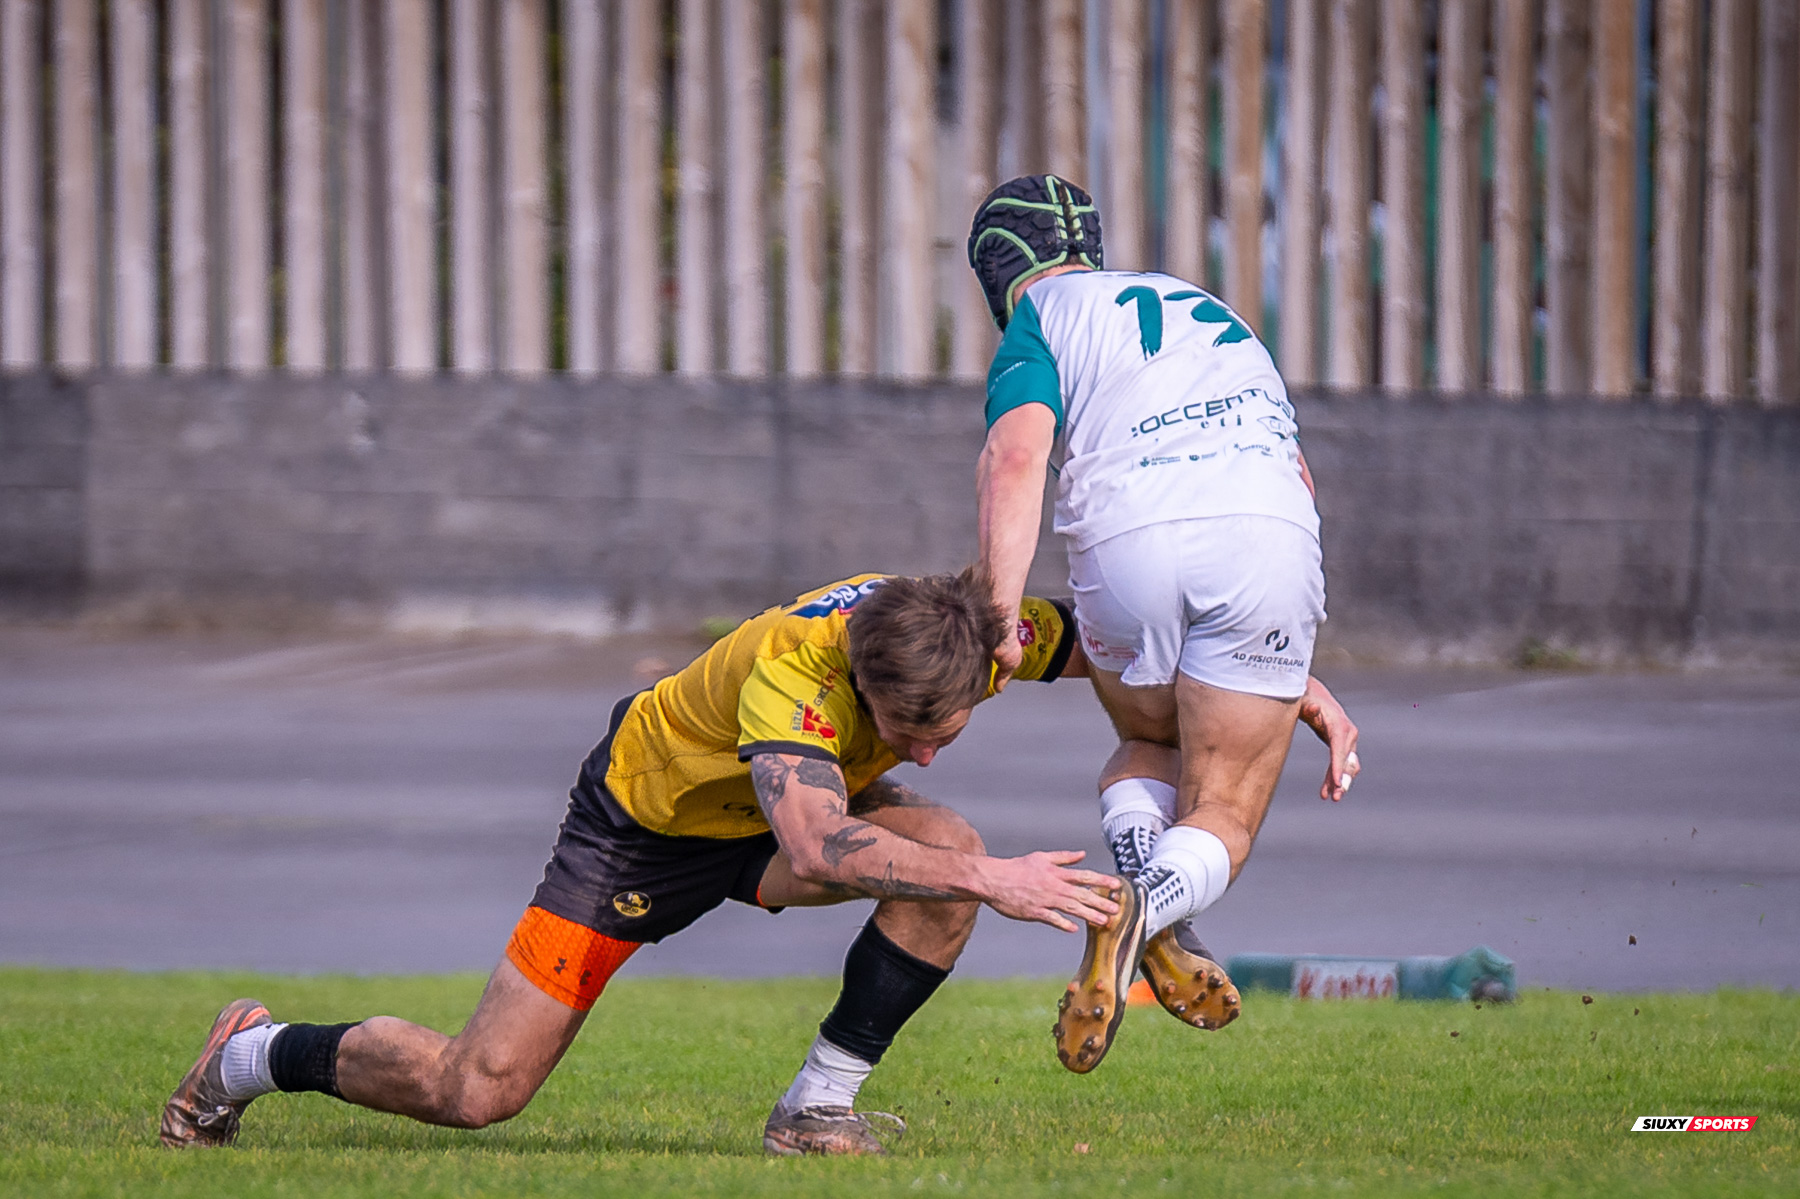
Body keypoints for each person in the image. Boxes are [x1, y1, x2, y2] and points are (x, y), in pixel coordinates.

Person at [159, 569, 1125, 1158]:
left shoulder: (977, 633)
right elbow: (816, 844)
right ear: (861, 682)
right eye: (908, 732)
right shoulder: (797, 666)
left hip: (787, 807)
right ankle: (245, 1054)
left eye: (943, 732)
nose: (921, 754)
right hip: (643, 830)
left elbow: (1118, 641)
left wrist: (1264, 683)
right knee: (477, 1088)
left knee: (945, 846)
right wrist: (999, 879)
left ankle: (815, 1108)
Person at [965, 174, 1362, 1072]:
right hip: (1267, 532)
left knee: (1146, 748)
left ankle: (1132, 906)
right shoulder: (1208, 309)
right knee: (1223, 802)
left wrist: (997, 608)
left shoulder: (1043, 318)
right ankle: (1151, 910)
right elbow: (1273, 484)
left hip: (1129, 532)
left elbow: (1018, 452)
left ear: (1000, 276)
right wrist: (1287, 670)